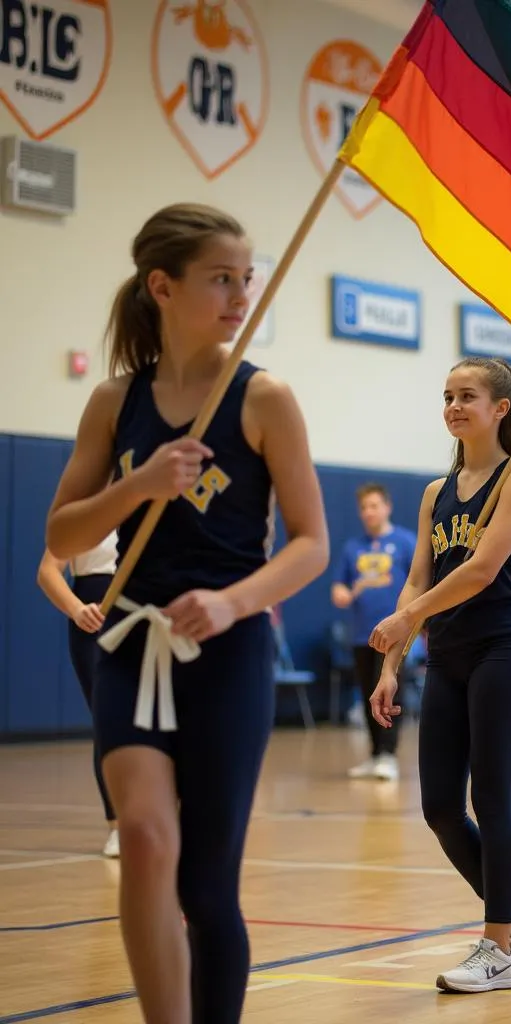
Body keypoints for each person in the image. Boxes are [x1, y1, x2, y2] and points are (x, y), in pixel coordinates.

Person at [44, 203, 329, 1023]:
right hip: (133, 643)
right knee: (140, 838)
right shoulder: (114, 402)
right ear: (162, 286)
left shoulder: (264, 398)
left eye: (248, 278)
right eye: (221, 279)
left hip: (230, 652)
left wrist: (232, 601)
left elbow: (311, 545)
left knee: (206, 888)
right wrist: (137, 485)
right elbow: (63, 534)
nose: (241, 294)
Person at [365, 356, 511, 994]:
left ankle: (497, 946)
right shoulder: (432, 493)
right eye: (447, 396)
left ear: (500, 408)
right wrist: (393, 663)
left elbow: (477, 571)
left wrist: (407, 616)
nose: (453, 406)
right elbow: (417, 576)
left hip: (503, 647)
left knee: (490, 796)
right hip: (446, 654)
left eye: (467, 395)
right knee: (440, 806)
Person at [36, 531, 120, 857]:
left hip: (141, 614)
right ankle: (117, 826)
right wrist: (76, 609)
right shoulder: (87, 510)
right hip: (93, 620)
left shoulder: (150, 503)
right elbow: (47, 571)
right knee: (108, 722)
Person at [331, 483, 416, 781]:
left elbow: (420, 582)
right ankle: (375, 754)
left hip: (395, 636)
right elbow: (339, 585)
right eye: (364, 507)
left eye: (374, 505)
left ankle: (389, 756)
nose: (369, 512)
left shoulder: (406, 542)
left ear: (387, 507)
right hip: (361, 635)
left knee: (390, 693)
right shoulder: (353, 547)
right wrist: (341, 592)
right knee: (368, 693)